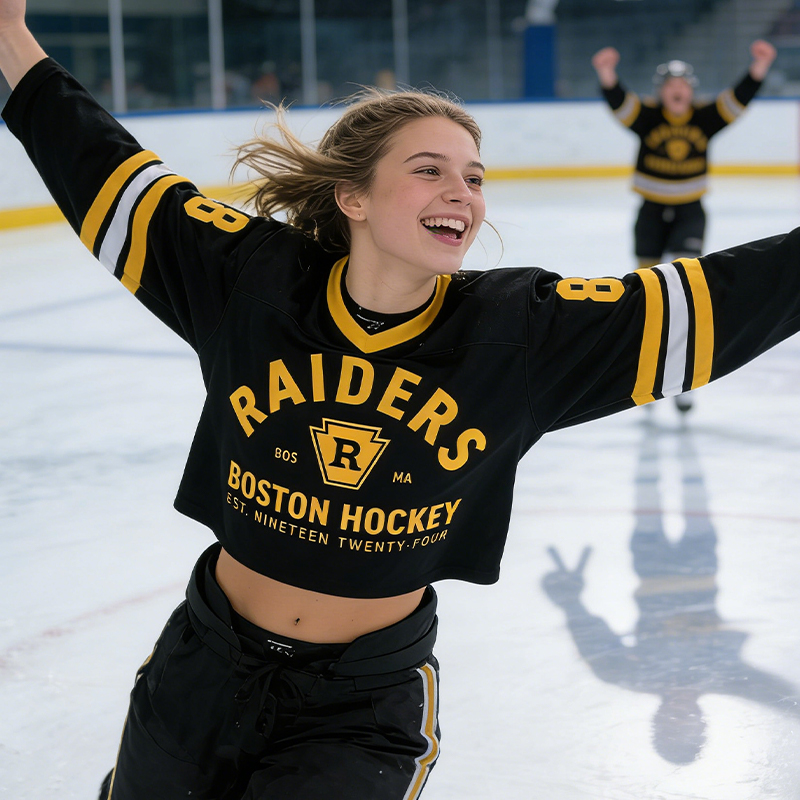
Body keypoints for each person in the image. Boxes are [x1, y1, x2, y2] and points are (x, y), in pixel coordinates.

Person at [2, 2, 800, 797]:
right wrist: (11, 37)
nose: (464, 191)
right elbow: (112, 175)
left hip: (361, 706)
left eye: (474, 177)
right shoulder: (252, 281)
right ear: (353, 196)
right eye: (430, 169)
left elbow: (717, 298)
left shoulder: (519, 334)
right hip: (201, 668)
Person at [591, 40, 777, 413]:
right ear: (662, 92)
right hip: (651, 211)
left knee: (682, 289)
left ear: (691, 91)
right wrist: (606, 73)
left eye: (683, 85)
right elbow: (619, 103)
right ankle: (643, 373)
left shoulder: (705, 118)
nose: (677, 91)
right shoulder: (649, 118)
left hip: (690, 210)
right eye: (670, 86)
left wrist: (759, 66)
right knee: (644, 290)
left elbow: (738, 100)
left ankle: (683, 378)